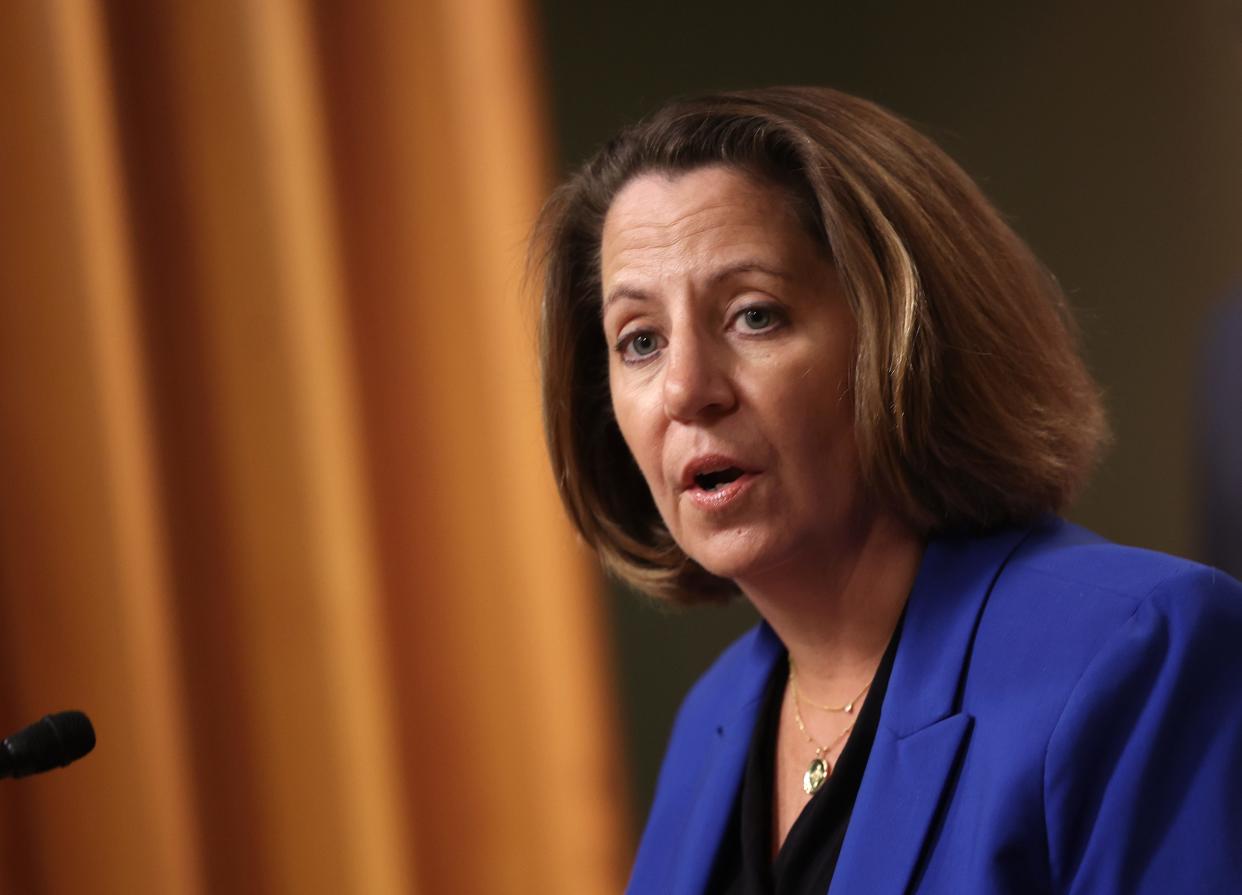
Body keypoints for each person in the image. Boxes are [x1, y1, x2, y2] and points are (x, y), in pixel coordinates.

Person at [531, 86, 1242, 894]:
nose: (686, 388)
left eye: (753, 315)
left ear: (904, 338)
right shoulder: (711, 721)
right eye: (641, 340)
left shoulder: (1139, 653)